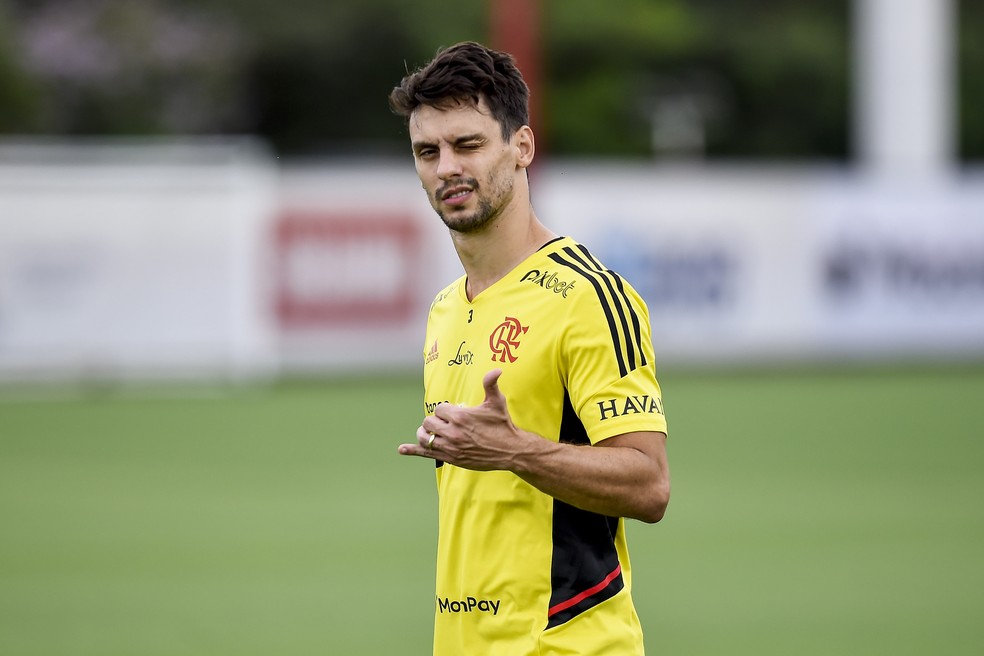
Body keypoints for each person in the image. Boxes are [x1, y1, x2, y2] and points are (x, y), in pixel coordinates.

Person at [390, 41, 670, 656]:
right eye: (427, 151)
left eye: (467, 145)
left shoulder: (588, 296)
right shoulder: (445, 307)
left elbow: (649, 484)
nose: (445, 169)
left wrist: (517, 451)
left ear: (522, 148)